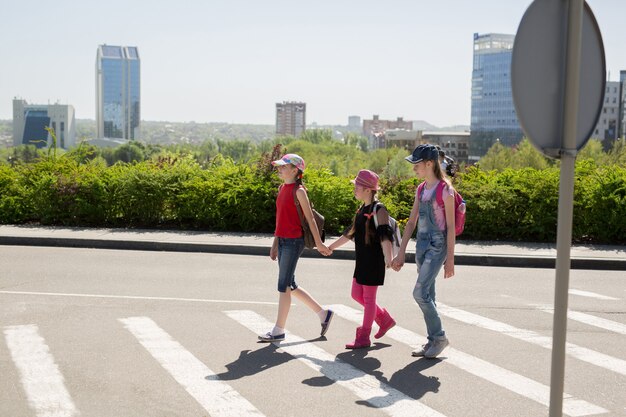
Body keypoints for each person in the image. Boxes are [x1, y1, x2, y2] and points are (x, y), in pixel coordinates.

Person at [258, 153, 334, 342]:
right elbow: (279, 219)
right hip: (283, 240)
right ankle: (323, 314)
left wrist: (319, 243)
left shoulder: (299, 191)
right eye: (280, 166)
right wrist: (275, 243)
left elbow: (310, 220)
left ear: (295, 170)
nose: (280, 169)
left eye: (284, 166)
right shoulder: (282, 188)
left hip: (294, 241)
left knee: (283, 285)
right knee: (290, 285)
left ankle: (278, 330)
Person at [391, 144, 455, 358]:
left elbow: (451, 227)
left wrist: (450, 260)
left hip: (438, 246)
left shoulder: (445, 190)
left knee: (419, 293)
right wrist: (401, 253)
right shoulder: (421, 189)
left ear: (429, 164)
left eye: (417, 164)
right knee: (429, 293)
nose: (414, 168)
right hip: (422, 245)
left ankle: (439, 337)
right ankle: (431, 341)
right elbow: (411, 223)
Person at [327, 169, 396, 349]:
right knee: (356, 294)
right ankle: (384, 319)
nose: (354, 189)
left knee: (369, 299)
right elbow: (349, 233)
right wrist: (331, 247)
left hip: (374, 261)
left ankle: (364, 337)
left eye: (357, 186)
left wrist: (389, 259)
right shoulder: (361, 209)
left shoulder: (379, 209)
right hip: (362, 261)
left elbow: (385, 236)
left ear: (367, 189)